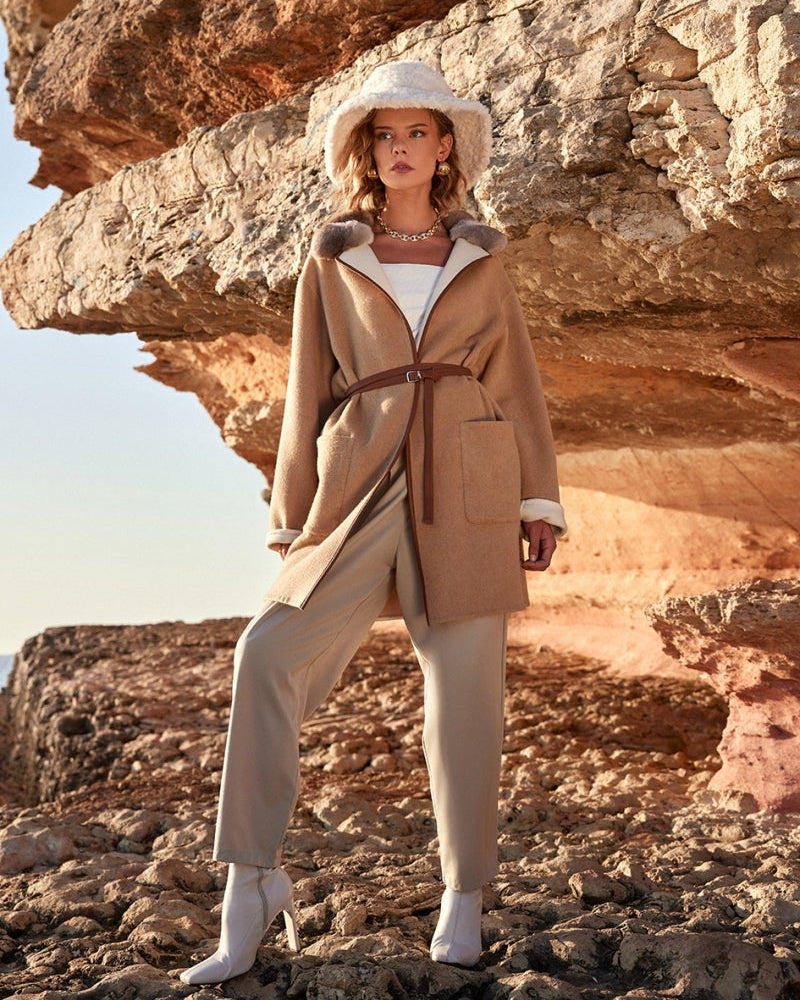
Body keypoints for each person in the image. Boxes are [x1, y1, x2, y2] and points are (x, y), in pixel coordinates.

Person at [180, 59, 566, 985]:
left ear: (444, 148)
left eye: (416, 133)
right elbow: (305, 386)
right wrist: (291, 516)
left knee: (464, 696)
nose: (400, 149)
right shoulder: (332, 255)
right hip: (358, 477)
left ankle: (463, 895)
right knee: (266, 654)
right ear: (368, 149)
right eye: (384, 135)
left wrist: (537, 498)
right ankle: (250, 884)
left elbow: (517, 383)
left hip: (469, 476)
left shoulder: (484, 258)